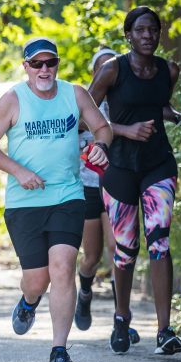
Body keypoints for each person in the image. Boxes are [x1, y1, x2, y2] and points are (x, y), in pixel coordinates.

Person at [0, 37, 112, 362]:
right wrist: (18, 171)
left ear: (57, 65)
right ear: (26, 67)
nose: (44, 69)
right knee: (37, 280)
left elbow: (102, 127)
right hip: (25, 203)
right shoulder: (13, 99)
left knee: (63, 267)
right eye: (36, 63)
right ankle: (29, 302)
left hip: (67, 196)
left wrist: (101, 146)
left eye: (50, 62)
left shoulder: (74, 94)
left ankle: (59, 352)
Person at [89, 6, 181, 357]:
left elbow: (159, 106)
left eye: (153, 30)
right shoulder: (112, 70)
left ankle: (164, 330)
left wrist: (180, 118)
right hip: (119, 166)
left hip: (158, 165)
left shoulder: (168, 70)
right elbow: (86, 116)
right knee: (125, 250)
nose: (148, 36)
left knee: (159, 242)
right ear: (128, 35)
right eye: (140, 30)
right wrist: (125, 130)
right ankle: (122, 317)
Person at [74, 48, 132, 339]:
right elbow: (85, 125)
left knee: (116, 249)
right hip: (87, 186)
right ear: (94, 72)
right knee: (91, 257)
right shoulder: (83, 101)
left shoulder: (122, 101)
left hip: (115, 184)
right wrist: (126, 129)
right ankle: (84, 293)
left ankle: (121, 319)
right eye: (100, 67)